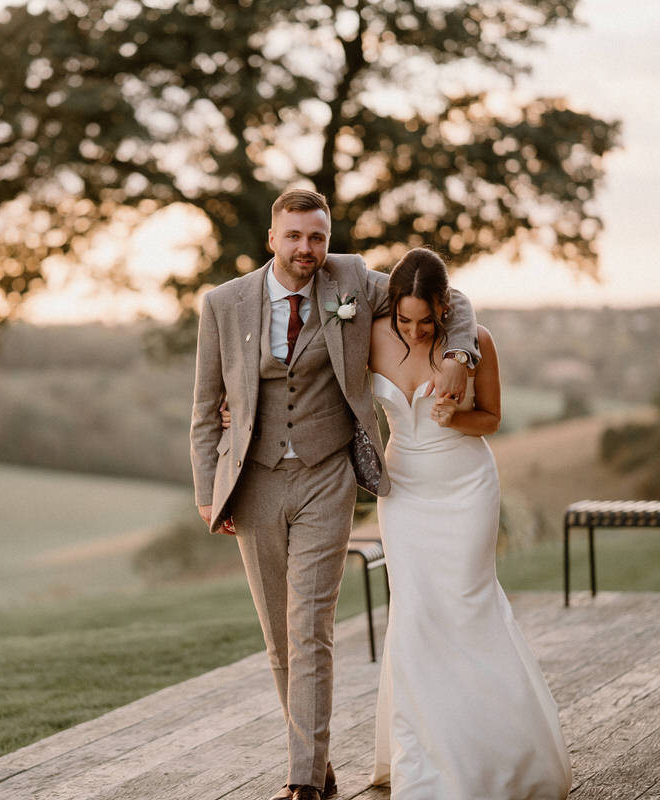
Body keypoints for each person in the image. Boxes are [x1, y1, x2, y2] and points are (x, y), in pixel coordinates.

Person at [189, 189, 480, 800]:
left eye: (316, 237)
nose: (306, 249)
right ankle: (315, 763)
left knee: (309, 627)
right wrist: (206, 492)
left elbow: (449, 300)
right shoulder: (224, 304)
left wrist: (458, 350)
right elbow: (202, 408)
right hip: (254, 482)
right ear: (272, 239)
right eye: (294, 237)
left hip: (327, 476)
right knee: (277, 638)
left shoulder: (350, 278)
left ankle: (301, 783)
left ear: (328, 239)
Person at [367, 248, 572, 799]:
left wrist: (456, 415)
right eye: (404, 320)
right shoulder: (370, 335)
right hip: (404, 491)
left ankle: (499, 756)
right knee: (415, 611)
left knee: (467, 602)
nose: (413, 331)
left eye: (425, 321)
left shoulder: (476, 341)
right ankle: (425, 758)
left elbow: (493, 420)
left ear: (444, 307)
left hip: (466, 487)